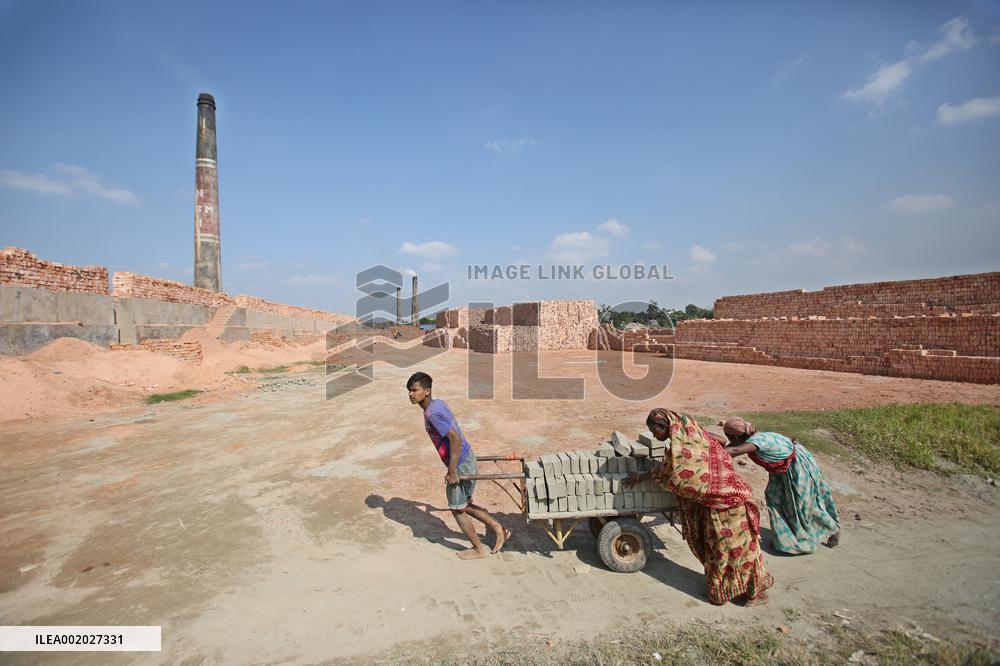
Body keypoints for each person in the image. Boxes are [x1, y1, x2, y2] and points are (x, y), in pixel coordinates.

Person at [627, 408, 774, 605]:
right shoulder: (694, 435)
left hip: (727, 506)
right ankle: (733, 589)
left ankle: (754, 592)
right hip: (724, 501)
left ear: (665, 427)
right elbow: (718, 443)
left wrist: (639, 477)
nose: (653, 435)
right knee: (726, 549)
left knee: (732, 550)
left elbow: (671, 475)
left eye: (654, 431)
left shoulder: (682, 451)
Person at [406, 371, 510, 559]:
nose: (411, 394)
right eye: (409, 391)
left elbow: (454, 439)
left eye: (415, 390)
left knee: (456, 508)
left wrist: (452, 470)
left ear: (427, 391)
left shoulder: (432, 414)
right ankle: (498, 528)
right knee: (463, 504)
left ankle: (479, 549)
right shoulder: (438, 404)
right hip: (465, 458)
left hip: (460, 463)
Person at [721, 417, 840, 554]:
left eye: (729, 437)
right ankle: (785, 539)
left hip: (797, 468)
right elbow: (732, 448)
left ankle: (832, 528)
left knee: (804, 503)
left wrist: (707, 453)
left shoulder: (755, 442)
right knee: (775, 497)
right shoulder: (752, 437)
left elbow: (734, 451)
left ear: (736, 436)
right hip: (783, 470)